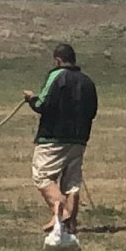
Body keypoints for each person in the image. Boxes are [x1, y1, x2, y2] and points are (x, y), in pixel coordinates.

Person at [23, 43, 97, 233]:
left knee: (42, 175)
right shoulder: (87, 81)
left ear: (57, 60)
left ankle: (62, 212)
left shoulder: (57, 75)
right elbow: (93, 111)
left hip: (53, 137)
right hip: (79, 138)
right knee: (72, 180)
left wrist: (31, 99)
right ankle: (70, 224)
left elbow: (42, 103)